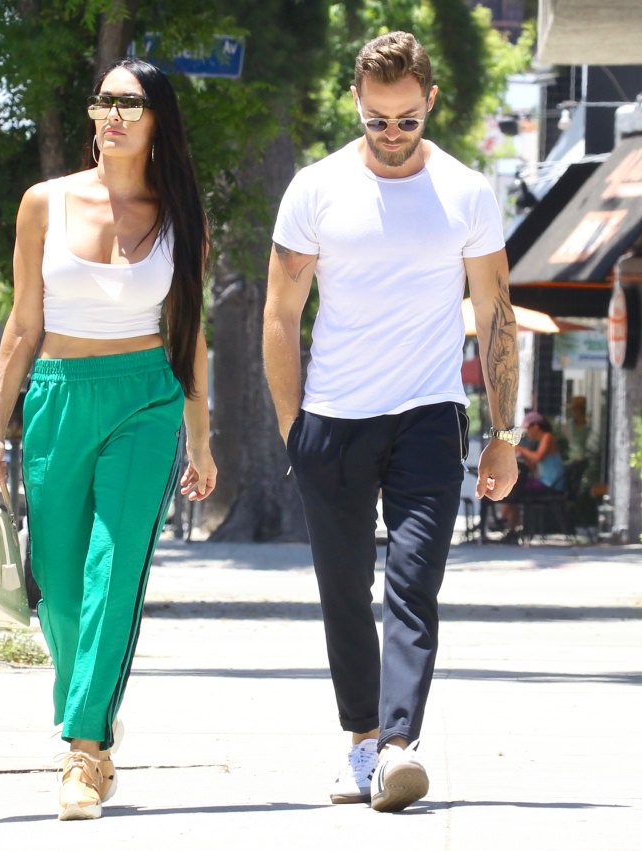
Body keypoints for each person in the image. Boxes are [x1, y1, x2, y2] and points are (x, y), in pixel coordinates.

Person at [263, 31, 519, 812]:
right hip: (334, 418)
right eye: (378, 120)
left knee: (413, 581)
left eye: (406, 119)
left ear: (430, 101)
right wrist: (291, 428)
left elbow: (497, 316)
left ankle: (401, 746)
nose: (393, 135)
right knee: (343, 586)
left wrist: (502, 432)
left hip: (430, 417)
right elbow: (280, 312)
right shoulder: (317, 187)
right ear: (357, 104)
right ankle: (362, 742)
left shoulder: (468, 192)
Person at [0, 57, 216, 821]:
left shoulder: (180, 212)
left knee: (114, 570)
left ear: (156, 121)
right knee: (60, 580)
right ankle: (98, 732)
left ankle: (82, 750)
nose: (111, 114)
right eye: (103, 100)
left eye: (130, 103)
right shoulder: (44, 203)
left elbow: (191, 335)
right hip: (55, 398)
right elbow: (22, 322)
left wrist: (202, 441)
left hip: (147, 399)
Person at [501, 412, 565, 540]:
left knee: (514, 490)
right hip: (545, 482)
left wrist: (519, 449)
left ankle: (503, 520)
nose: (528, 433)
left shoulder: (547, 437)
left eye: (528, 429)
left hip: (550, 484)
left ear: (536, 427)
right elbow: (534, 465)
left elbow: (537, 457)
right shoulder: (540, 441)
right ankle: (510, 527)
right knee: (514, 490)